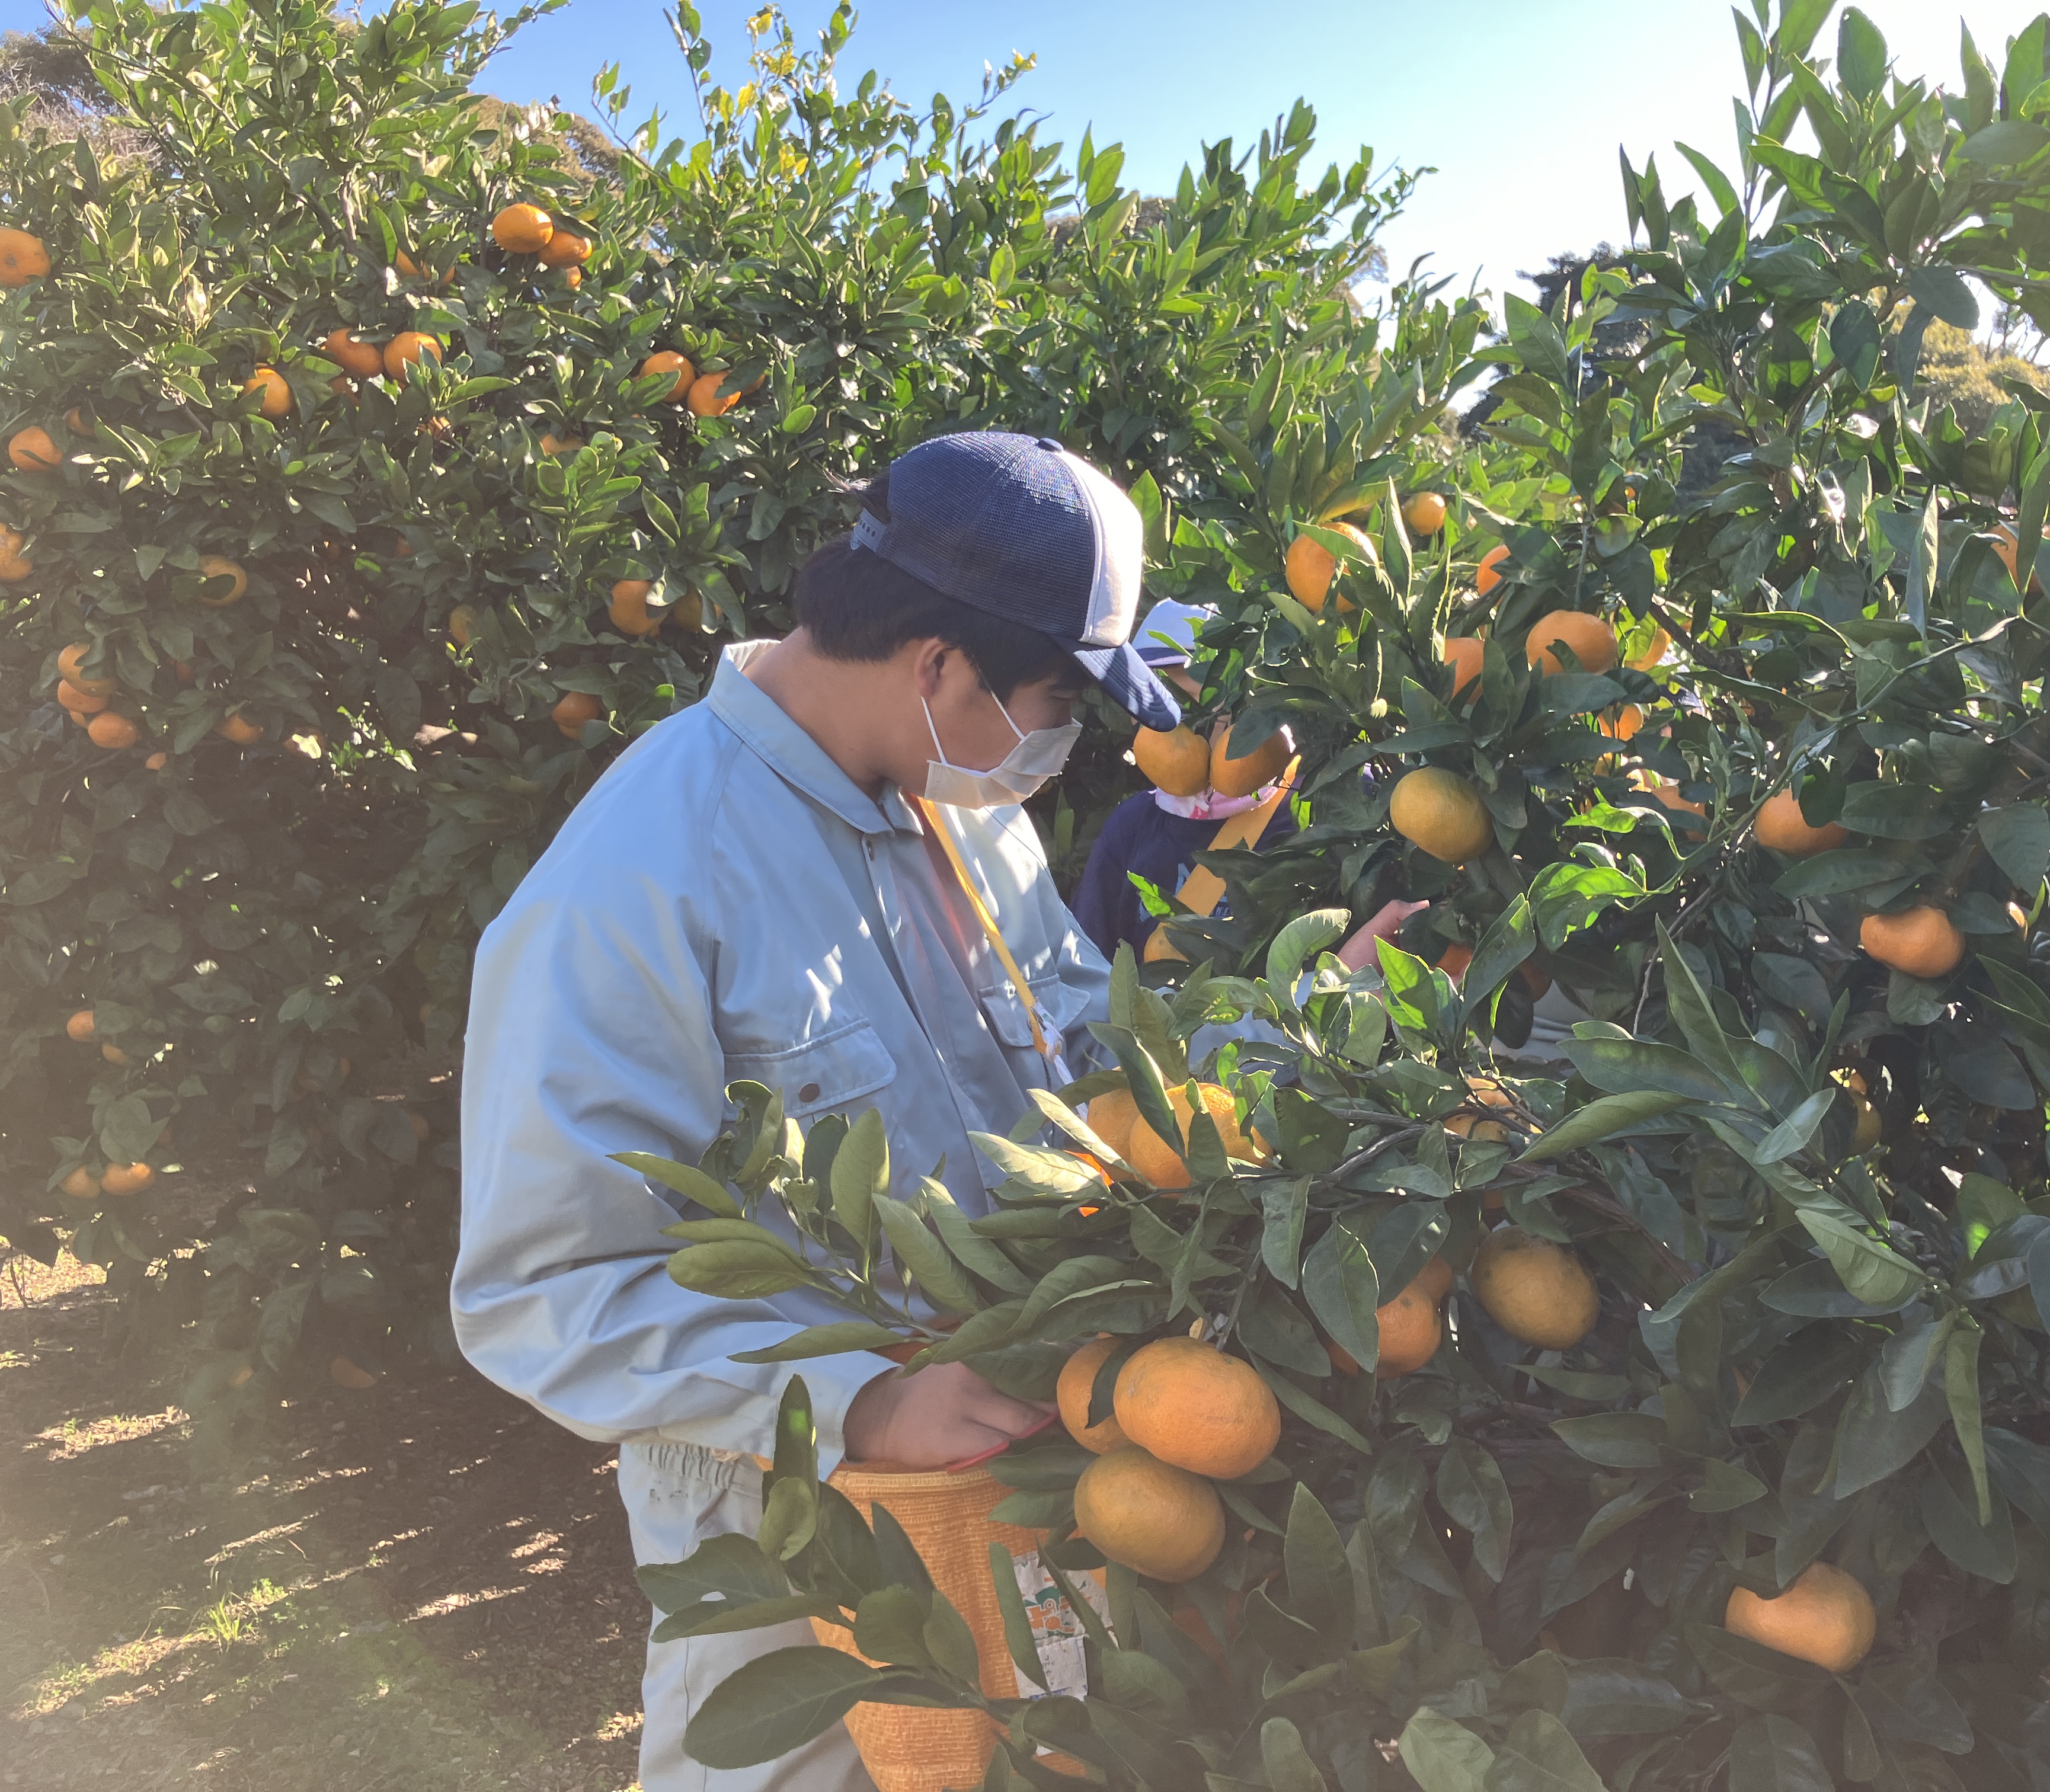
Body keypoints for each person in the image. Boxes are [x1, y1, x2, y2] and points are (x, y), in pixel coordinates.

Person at [452, 433, 1184, 1791]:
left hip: (1020, 1487)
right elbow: (540, 1288)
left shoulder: (965, 813)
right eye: (1053, 705)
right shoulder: (638, 886)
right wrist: (855, 1399)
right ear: (936, 666)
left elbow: (1083, 1047)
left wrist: (1275, 1036)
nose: (1063, 748)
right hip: (802, 1534)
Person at [1070, 598, 1421, 969]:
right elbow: (1087, 966)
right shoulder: (1135, 825)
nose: (1169, 726)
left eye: (1196, 707)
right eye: (1155, 707)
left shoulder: (1317, 810)